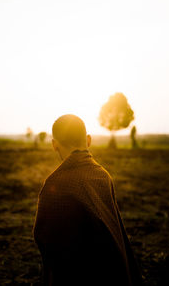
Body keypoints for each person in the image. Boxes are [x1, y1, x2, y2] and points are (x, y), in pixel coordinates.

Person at [33, 114, 142, 286]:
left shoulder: (54, 184)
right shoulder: (103, 176)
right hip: (112, 273)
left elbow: (44, 238)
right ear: (88, 140)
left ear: (54, 145)